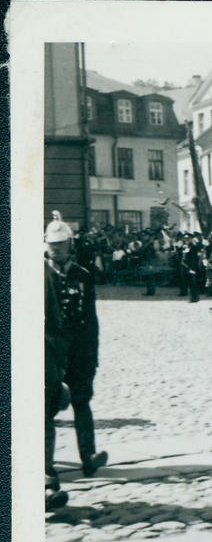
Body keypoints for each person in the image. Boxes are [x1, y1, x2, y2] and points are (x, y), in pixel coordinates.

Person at [45, 214, 108, 510]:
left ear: (70, 245)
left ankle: (89, 458)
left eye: (61, 245)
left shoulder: (83, 274)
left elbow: (91, 319)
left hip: (79, 349)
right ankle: (47, 469)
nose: (57, 250)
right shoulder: (40, 274)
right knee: (47, 408)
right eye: (52, 245)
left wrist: (93, 353)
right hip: (52, 350)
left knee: (82, 401)